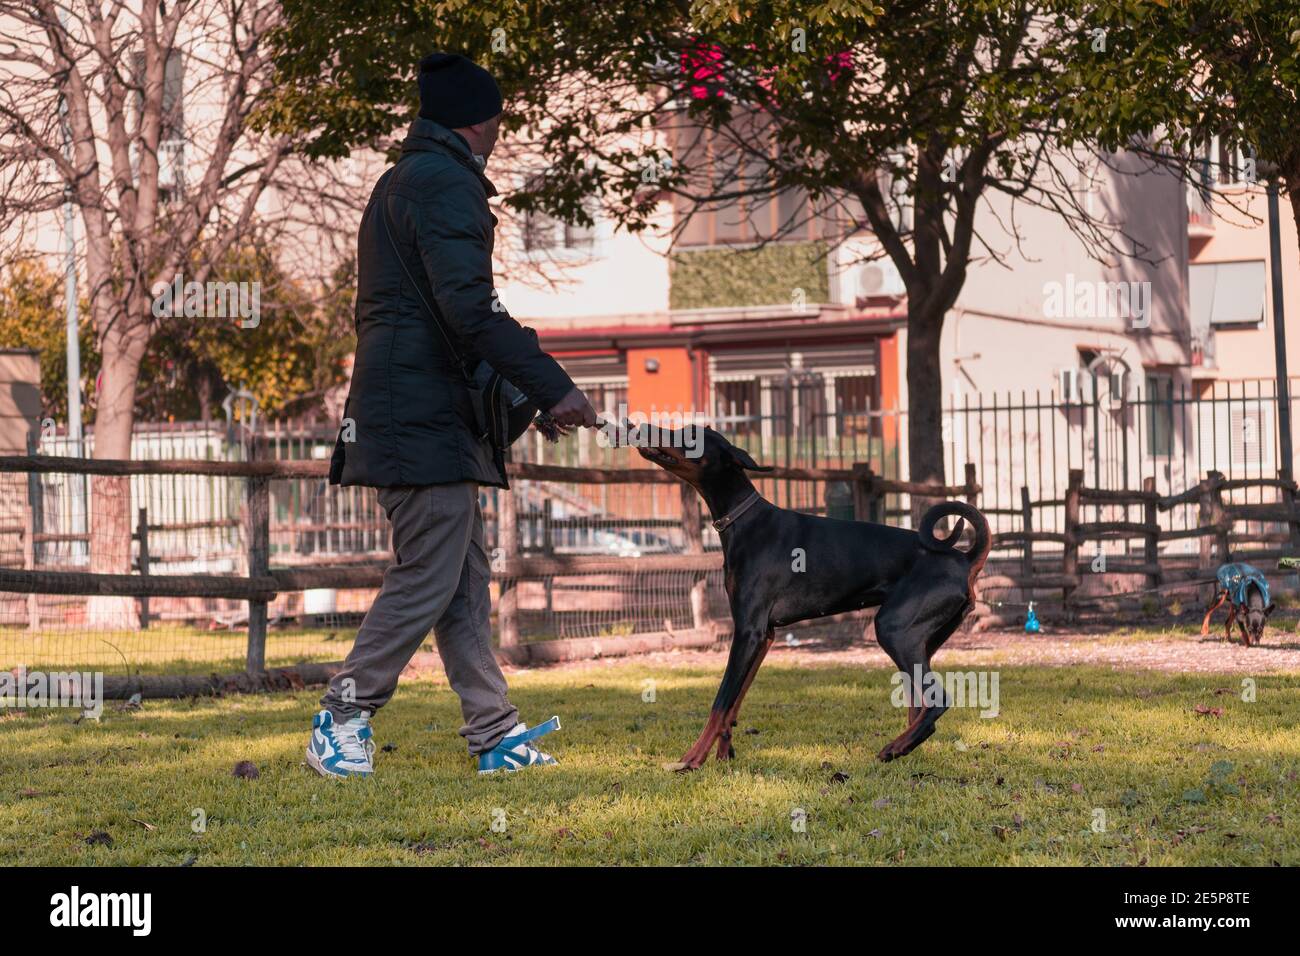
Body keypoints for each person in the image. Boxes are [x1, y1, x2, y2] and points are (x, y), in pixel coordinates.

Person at [307, 52, 598, 778]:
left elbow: (437, 313)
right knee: (428, 576)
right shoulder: (446, 184)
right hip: (418, 418)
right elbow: (470, 309)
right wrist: (550, 383)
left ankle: (495, 733)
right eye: (500, 118)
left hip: (417, 411)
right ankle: (343, 714)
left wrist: (525, 390)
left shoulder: (403, 181)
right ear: (483, 119)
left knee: (461, 582)